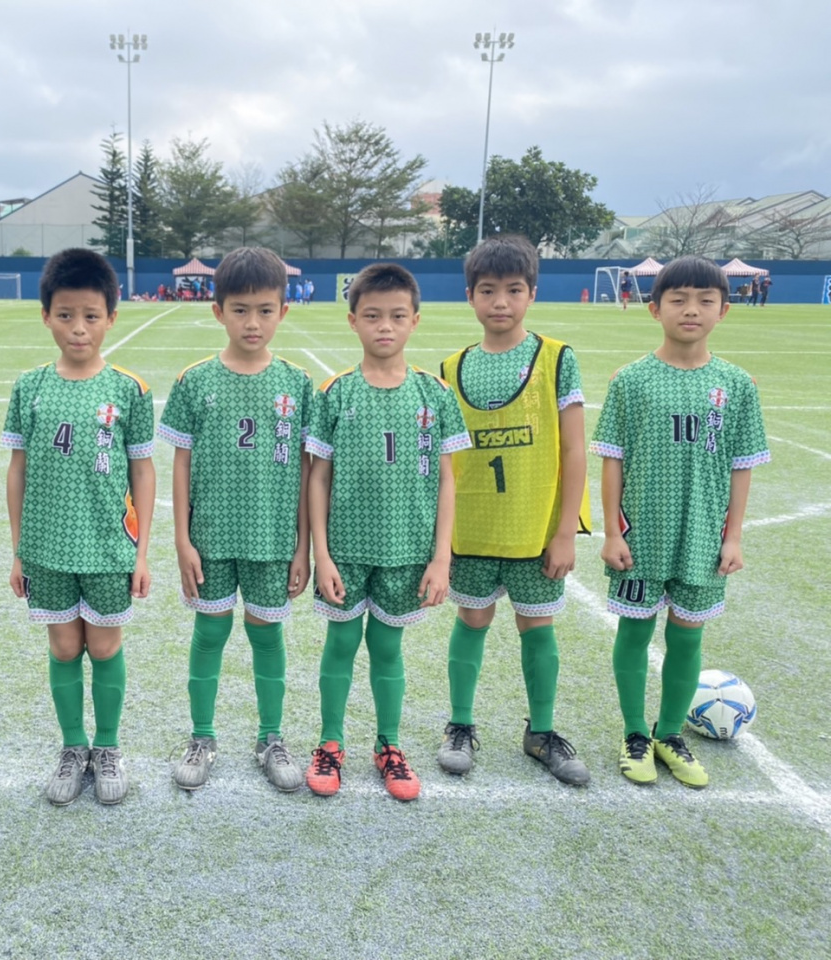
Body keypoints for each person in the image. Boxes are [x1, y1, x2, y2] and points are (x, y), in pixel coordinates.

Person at [591, 255, 769, 788]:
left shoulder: (737, 385)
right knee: (635, 631)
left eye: (705, 300)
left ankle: (670, 733)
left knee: (688, 637)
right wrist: (612, 531)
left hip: (702, 537)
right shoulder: (631, 380)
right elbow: (613, 461)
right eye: (678, 299)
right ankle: (634, 734)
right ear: (655, 309)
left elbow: (741, 467)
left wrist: (733, 537)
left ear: (724, 310)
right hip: (642, 532)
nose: (692, 310)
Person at [304, 263, 470, 801]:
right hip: (346, 549)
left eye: (397, 316)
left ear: (415, 321)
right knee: (341, 641)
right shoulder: (335, 393)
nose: (385, 327)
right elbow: (318, 478)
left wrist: (441, 557)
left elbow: (447, 480)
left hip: (407, 549)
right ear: (353, 320)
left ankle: (389, 746)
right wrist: (322, 555)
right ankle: (330, 743)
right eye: (372, 316)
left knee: (387, 647)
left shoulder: (434, 394)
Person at [2, 248, 156, 806]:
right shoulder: (29, 387)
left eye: (91, 316)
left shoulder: (129, 389)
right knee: (65, 647)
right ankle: (73, 747)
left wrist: (141, 553)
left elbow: (143, 470)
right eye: (65, 315)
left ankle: (107, 747)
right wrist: (18, 551)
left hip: (109, 548)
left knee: (106, 647)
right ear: (46, 315)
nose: (78, 328)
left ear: (111, 317)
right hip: (46, 549)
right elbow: (17, 471)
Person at [437, 234, 593, 786]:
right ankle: (459, 725)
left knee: (538, 628)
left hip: (535, 528)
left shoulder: (556, 358)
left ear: (532, 293)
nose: (500, 301)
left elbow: (574, 449)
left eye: (513, 289)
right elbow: (443, 460)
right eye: (487, 290)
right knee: (471, 620)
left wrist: (566, 531)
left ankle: (541, 732)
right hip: (473, 528)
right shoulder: (451, 366)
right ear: (469, 296)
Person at [159, 246, 312, 793]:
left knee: (267, 636)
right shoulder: (195, 380)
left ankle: (271, 738)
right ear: (218, 310)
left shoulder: (297, 384)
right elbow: (180, 464)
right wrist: (182, 540)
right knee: (210, 632)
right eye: (241, 310)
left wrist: (303, 547)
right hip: (211, 536)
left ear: (283, 311)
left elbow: (308, 469)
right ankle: (202, 737)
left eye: (265, 310)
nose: (253, 322)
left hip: (272, 537)